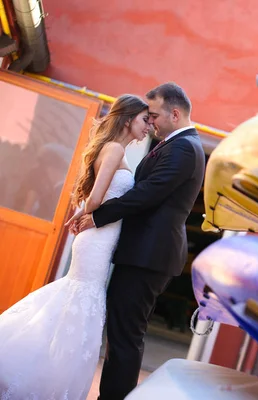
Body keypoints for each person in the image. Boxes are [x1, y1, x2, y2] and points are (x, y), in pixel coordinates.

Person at [0, 94, 151, 399]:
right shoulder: (112, 149)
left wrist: (86, 214)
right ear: (127, 120)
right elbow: (96, 198)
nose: (149, 126)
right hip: (96, 239)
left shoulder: (115, 150)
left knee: (76, 302)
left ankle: (44, 372)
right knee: (81, 300)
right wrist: (84, 214)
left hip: (100, 238)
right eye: (144, 119)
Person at [70, 82, 206, 399]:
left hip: (149, 255)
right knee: (123, 332)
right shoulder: (176, 145)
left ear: (175, 113)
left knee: (125, 335)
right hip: (142, 252)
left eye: (155, 115)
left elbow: (147, 194)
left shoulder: (185, 148)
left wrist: (97, 217)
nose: (151, 122)